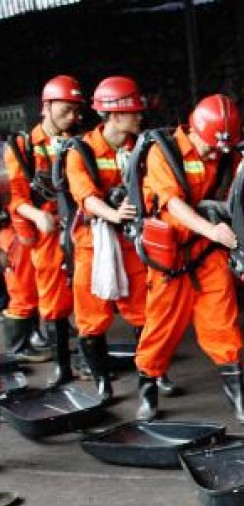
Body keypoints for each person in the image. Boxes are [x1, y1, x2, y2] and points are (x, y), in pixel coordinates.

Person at [134, 94, 244, 424]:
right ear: (195, 129)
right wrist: (212, 230)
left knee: (222, 322)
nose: (215, 154)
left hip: (207, 254)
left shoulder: (227, 156)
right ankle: (148, 388)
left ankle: (237, 394)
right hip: (169, 256)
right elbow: (172, 204)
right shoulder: (164, 153)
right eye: (210, 147)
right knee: (162, 327)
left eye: (220, 149)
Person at [64, 76, 150, 402]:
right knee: (91, 315)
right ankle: (102, 382)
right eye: (134, 111)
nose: (139, 117)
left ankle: (151, 377)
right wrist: (114, 214)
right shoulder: (81, 151)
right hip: (93, 242)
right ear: (114, 116)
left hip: (130, 242)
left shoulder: (140, 148)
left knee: (142, 310)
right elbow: (84, 196)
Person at [3, 76, 81, 374]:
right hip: (38, 229)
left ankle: (75, 350)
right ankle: (34, 348)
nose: (72, 117)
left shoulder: (77, 141)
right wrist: (37, 218)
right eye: (66, 110)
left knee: (82, 291)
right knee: (35, 289)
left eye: (76, 111)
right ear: (46, 107)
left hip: (72, 224)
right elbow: (18, 198)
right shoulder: (23, 146)